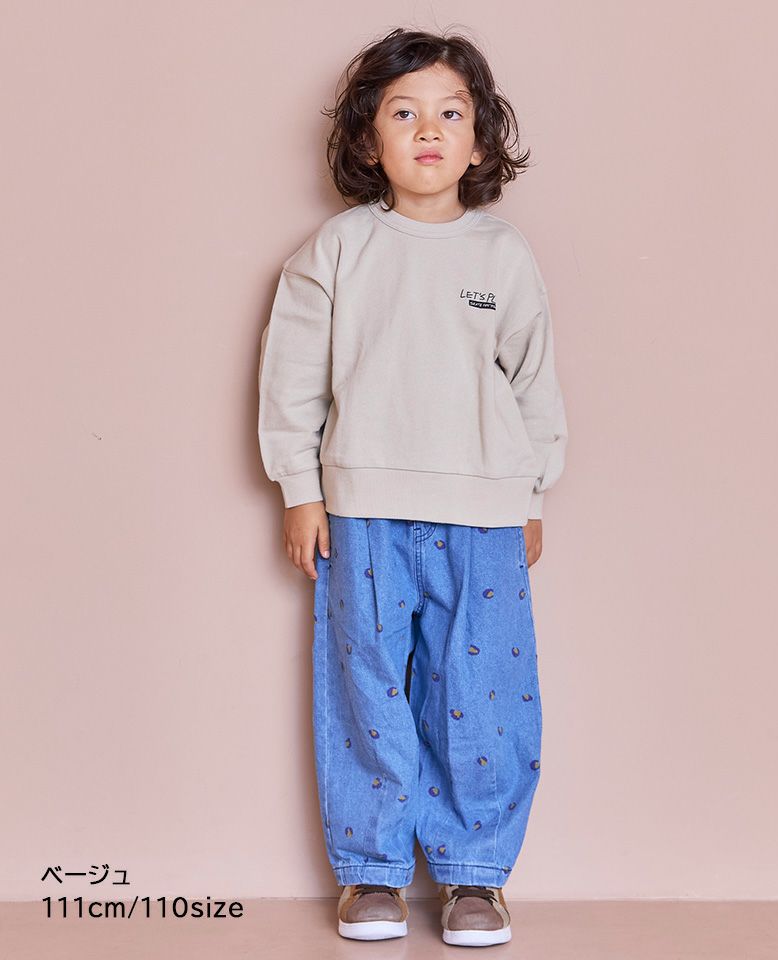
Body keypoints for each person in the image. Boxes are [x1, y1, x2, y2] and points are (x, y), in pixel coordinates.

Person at [257, 27, 568, 947]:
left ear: (478, 142)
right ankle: (373, 871)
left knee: (485, 690)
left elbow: (535, 386)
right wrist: (300, 490)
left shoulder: (503, 255)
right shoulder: (337, 249)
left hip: (484, 514)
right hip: (363, 512)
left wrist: (530, 497)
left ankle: (476, 875)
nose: (428, 129)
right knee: (366, 688)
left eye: (450, 113)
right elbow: (292, 381)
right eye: (403, 112)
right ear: (368, 140)